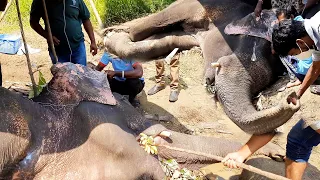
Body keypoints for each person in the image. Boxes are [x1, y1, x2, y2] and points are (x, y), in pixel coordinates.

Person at [222, 11, 320, 180]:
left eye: (295, 54)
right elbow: (317, 67)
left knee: (301, 137)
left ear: (299, 43)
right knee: (299, 139)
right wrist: (299, 93)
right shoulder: (313, 32)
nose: (299, 57)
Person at [30, 0, 97, 66]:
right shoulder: (41, 2)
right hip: (58, 50)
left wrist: (93, 41)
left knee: (81, 74)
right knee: (63, 75)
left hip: (78, 46)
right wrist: (47, 36)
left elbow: (86, 19)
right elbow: (33, 22)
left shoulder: (77, 1)